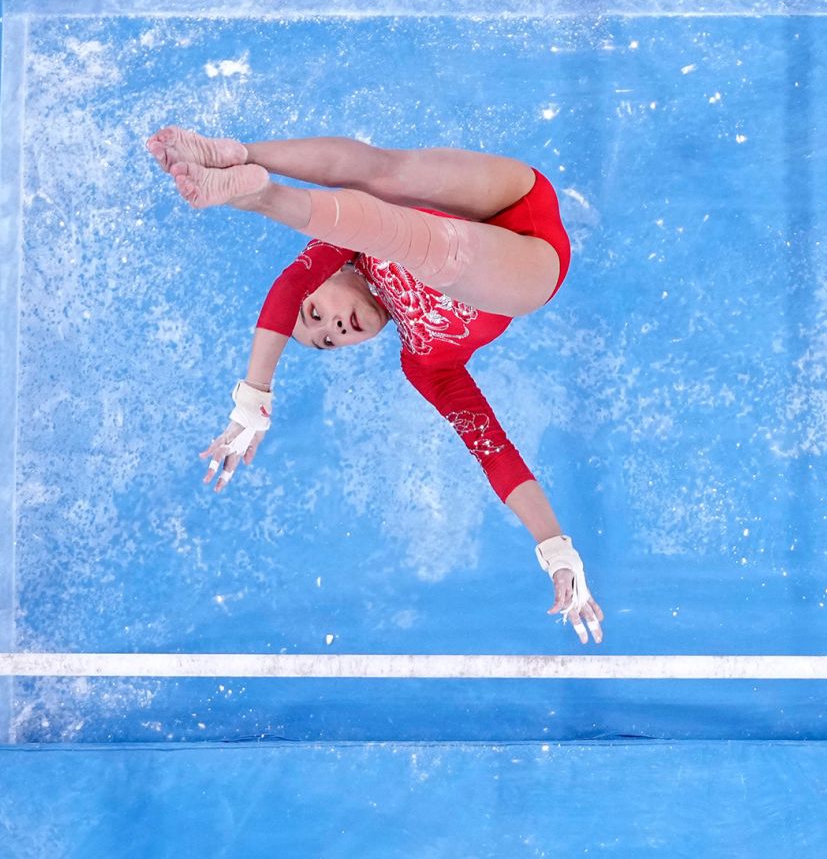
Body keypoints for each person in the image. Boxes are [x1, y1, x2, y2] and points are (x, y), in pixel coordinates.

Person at [146, 127, 605, 644]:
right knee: (426, 245)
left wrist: (254, 396)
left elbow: (288, 285)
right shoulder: (428, 363)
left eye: (316, 313)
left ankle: (238, 158)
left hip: (516, 197)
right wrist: (555, 548)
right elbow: (492, 449)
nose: (331, 329)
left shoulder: (341, 245)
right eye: (325, 343)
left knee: (386, 174)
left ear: (326, 277)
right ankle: (263, 196)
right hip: (528, 267)